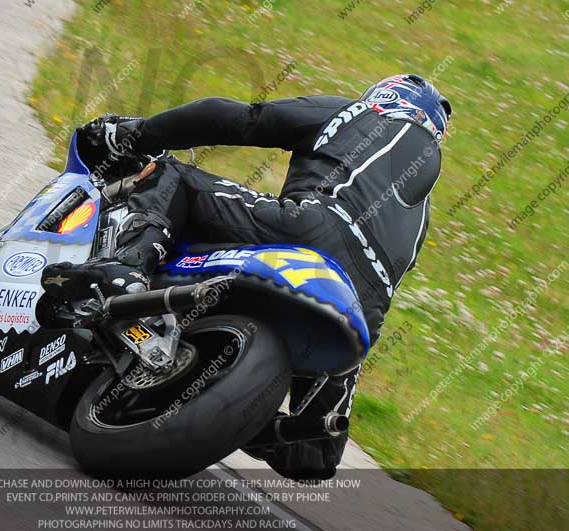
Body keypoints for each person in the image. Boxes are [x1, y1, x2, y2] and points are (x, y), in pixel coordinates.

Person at [42, 74, 451, 479]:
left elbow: (240, 118)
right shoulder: (422, 217)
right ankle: (274, 425)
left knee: (175, 176)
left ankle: (126, 271)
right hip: (364, 303)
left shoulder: (358, 113)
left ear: (384, 98)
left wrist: (141, 133)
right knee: (310, 454)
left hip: (311, 229)